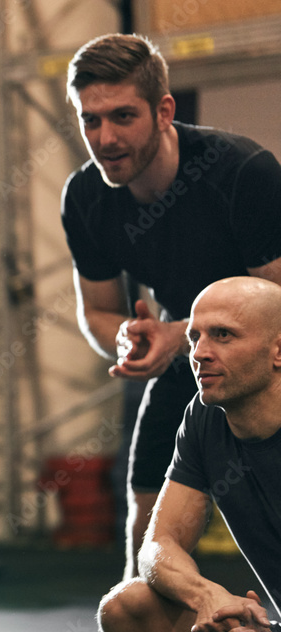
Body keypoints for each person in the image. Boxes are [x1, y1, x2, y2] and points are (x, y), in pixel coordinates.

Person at [61, 32, 281, 577]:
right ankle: (148, 629)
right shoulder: (87, 197)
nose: (105, 138)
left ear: (164, 111)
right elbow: (99, 311)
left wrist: (176, 334)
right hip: (189, 361)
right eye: (91, 120)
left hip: (269, 361)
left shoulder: (242, 173)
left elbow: (279, 306)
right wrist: (128, 340)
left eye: (122, 117)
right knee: (145, 518)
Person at [98, 276, 281, 632]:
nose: (199, 353)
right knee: (126, 609)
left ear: (278, 350)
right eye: (195, 337)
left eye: (223, 336)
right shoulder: (204, 417)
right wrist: (205, 595)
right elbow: (157, 546)